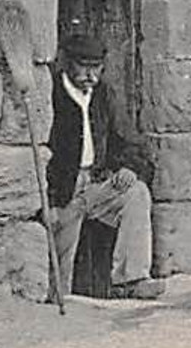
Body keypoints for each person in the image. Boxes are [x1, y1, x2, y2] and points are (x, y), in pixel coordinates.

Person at [45, 34, 164, 300]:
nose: (90, 74)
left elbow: (129, 139)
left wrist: (130, 167)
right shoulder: (52, 94)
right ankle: (57, 298)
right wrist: (50, 200)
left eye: (96, 67)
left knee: (136, 193)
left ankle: (130, 279)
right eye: (83, 66)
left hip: (97, 185)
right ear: (67, 64)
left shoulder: (103, 95)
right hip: (63, 191)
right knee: (58, 271)